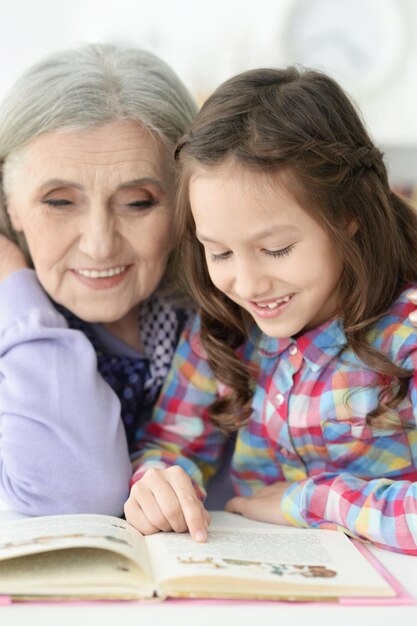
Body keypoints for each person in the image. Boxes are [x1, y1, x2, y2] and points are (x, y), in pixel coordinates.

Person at [125, 67, 417, 554]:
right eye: (219, 253)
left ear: (349, 216)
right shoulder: (223, 328)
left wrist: (308, 501)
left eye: (277, 248)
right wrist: (157, 482)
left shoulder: (406, 335)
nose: (247, 283)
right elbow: (169, 444)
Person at [0, 43, 197, 515]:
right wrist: (13, 284)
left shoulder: (237, 316)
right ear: (10, 205)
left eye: (138, 202)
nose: (99, 245)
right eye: (59, 202)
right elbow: (74, 494)